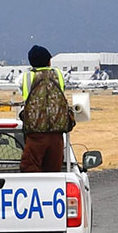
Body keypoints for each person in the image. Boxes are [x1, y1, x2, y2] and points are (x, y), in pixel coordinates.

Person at [19, 44, 72, 173]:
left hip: (36, 132)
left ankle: (34, 190)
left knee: (29, 168)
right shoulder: (58, 74)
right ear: (49, 61)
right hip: (57, 131)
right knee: (54, 169)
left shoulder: (25, 78)